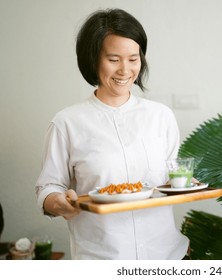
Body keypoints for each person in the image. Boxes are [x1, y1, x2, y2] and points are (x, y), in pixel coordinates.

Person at [35, 8, 189, 259]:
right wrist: (57, 202)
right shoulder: (67, 123)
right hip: (103, 261)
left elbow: (173, 179)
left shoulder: (161, 117)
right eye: (114, 59)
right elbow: (48, 187)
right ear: (93, 59)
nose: (125, 70)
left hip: (168, 257)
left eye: (133, 58)